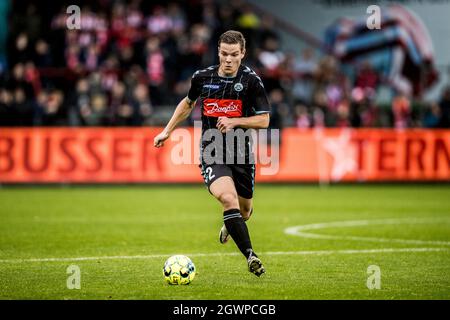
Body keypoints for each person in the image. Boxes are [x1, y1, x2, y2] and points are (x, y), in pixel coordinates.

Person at [154, 30, 270, 277]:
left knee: (245, 211)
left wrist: (235, 121)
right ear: (218, 52)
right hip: (212, 149)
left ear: (243, 54)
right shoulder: (202, 78)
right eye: (225, 54)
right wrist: (167, 131)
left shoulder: (251, 81)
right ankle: (251, 256)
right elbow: (187, 103)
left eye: (234, 55)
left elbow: (264, 120)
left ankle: (231, 225)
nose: (229, 59)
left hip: (241, 151)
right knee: (228, 199)